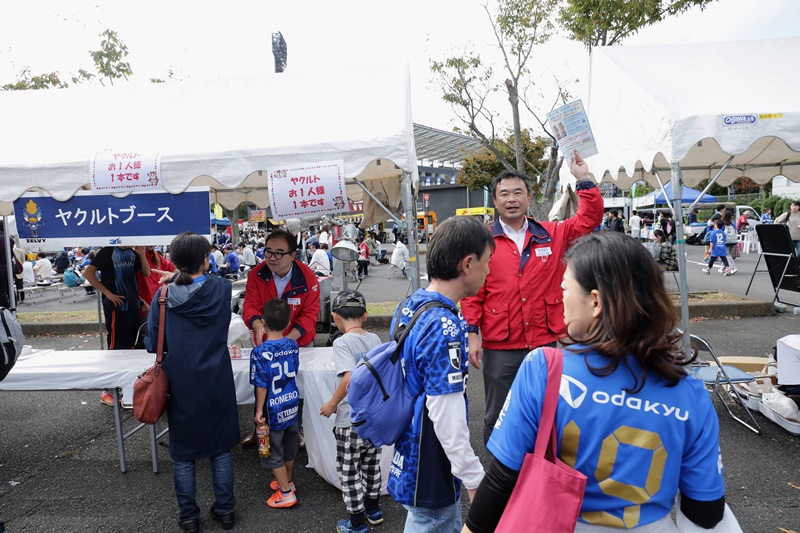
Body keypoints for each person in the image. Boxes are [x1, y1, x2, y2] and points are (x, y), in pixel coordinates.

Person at [463, 231, 727, 532]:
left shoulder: (545, 369)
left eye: (565, 289)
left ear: (595, 302)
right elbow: (706, 511)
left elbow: (502, 478)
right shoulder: (690, 391)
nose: (560, 299)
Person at [461, 150, 604, 444]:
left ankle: (542, 467)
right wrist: (472, 334)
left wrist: (584, 179)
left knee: (548, 410)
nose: (511, 199)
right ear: (495, 201)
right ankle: (500, 471)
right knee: (498, 414)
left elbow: (589, 219)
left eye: (518, 192)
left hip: (546, 341)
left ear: (528, 198)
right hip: (501, 344)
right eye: (504, 194)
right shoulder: (482, 242)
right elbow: (473, 293)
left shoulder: (552, 234)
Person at [389, 216, 492, 532]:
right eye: (487, 262)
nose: (489, 271)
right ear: (468, 264)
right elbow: (445, 410)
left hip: (411, 445)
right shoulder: (443, 323)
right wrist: (473, 477)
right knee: (433, 521)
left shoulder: (413, 304)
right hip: (431, 457)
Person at [144, 232, 238, 533]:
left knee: (183, 453)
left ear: (173, 261)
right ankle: (225, 511)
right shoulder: (222, 289)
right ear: (206, 259)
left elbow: (152, 344)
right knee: (220, 448)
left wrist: (174, 279)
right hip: (217, 378)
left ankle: (188, 517)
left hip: (180, 381)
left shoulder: (162, 297)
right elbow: (206, 285)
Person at [240, 230, 320, 446]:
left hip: (298, 341)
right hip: (265, 341)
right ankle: (260, 426)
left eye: (278, 253)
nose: (272, 258)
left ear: (293, 255)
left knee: (294, 384)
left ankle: (296, 429)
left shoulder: (307, 277)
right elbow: (250, 306)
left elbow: (310, 314)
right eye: (268, 252)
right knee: (262, 382)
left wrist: (288, 340)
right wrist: (258, 325)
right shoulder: (256, 274)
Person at [319, 290, 383, 533]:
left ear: (335, 317)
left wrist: (332, 403)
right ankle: (373, 511)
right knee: (371, 466)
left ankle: (356, 523)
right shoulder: (375, 339)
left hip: (350, 420)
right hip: (374, 419)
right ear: (365, 315)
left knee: (349, 473)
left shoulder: (342, 342)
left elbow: (349, 377)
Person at [250, 298, 301, 509]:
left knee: (273, 452)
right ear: (288, 323)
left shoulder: (259, 352)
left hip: (273, 408)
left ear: (263, 322)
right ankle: (287, 481)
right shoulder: (293, 344)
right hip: (292, 403)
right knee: (289, 446)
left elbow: (261, 384)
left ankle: (286, 493)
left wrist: (259, 410)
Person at [84, 245, 150, 405]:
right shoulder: (108, 250)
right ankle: (107, 390)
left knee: (133, 348)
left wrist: (141, 254)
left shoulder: (132, 252)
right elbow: (87, 273)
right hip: (116, 308)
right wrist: (107, 293)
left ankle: (127, 388)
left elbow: (146, 273)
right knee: (116, 349)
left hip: (133, 306)